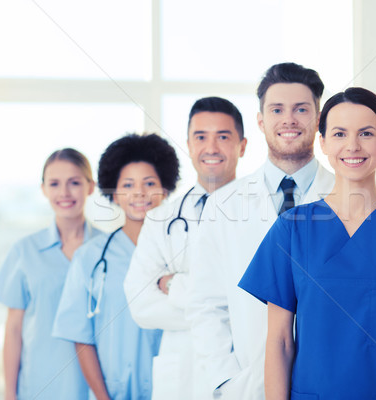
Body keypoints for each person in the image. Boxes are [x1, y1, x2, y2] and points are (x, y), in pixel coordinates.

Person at [238, 87, 376, 399]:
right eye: (340, 133)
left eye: (367, 133)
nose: (353, 146)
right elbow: (279, 342)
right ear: (324, 142)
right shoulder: (292, 229)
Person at [186, 63, 335, 400]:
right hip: (248, 387)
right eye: (277, 109)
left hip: (334, 384)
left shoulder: (348, 198)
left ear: (319, 117)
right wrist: (225, 381)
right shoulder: (223, 204)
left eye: (301, 109)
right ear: (260, 121)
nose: (289, 119)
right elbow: (206, 305)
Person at [123, 97, 247, 400]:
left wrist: (175, 285)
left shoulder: (263, 214)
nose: (211, 147)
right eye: (201, 137)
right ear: (188, 145)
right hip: (180, 377)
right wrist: (228, 309)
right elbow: (141, 305)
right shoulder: (161, 218)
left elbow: (262, 302)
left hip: (242, 371)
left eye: (223, 137)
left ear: (242, 146)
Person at [52, 134, 179, 400]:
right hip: (113, 393)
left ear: (165, 189)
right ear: (114, 193)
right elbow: (81, 337)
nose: (139, 193)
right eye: (128, 184)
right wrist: (102, 397)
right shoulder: (91, 257)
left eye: (149, 183)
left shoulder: (182, 252)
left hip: (176, 388)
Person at [0, 148, 99, 400]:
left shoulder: (108, 249)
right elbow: (14, 329)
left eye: (74, 182)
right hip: (39, 386)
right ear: (43, 189)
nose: (64, 193)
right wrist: (9, 393)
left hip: (95, 388)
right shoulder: (24, 251)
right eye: (54, 184)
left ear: (90, 186)